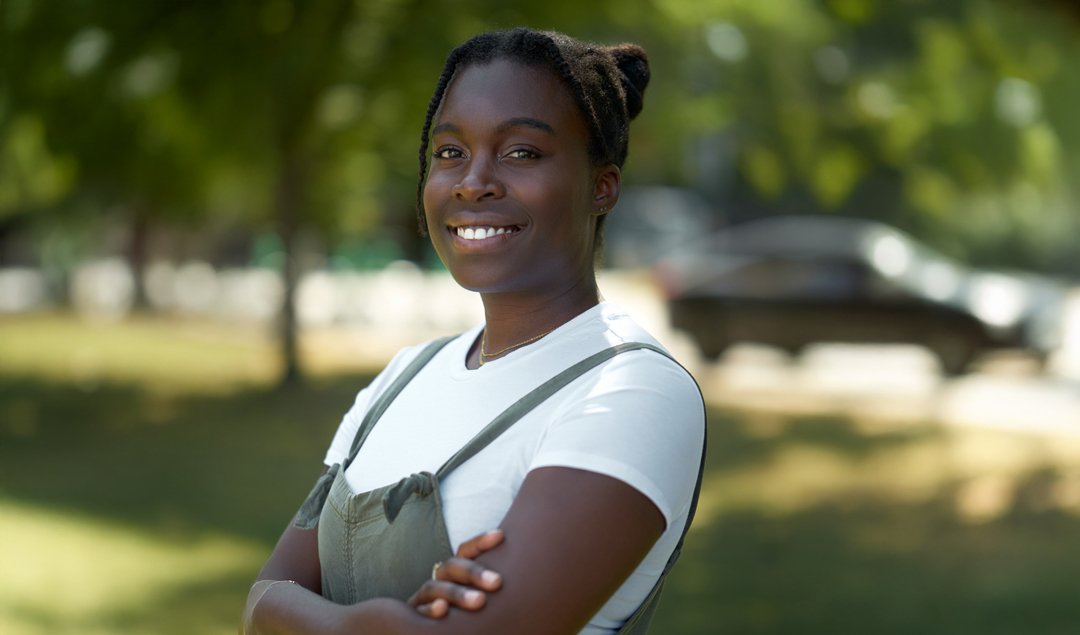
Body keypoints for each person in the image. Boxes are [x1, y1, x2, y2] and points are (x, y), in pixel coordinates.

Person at [241, 26, 706, 635]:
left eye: (521, 152)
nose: (472, 181)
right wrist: (379, 623)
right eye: (450, 152)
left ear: (602, 186)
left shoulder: (632, 391)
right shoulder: (404, 376)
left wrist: (310, 617)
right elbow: (257, 601)